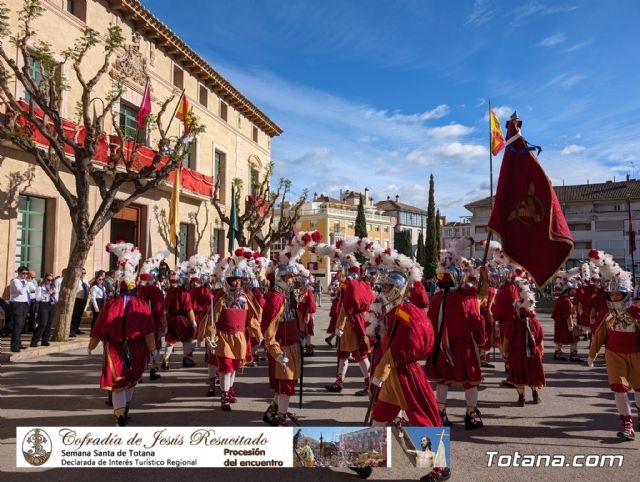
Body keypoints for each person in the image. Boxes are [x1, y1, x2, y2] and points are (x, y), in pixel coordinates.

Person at [88, 242, 155, 426]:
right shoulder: (128, 303)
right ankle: (121, 414)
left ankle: (121, 413)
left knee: (124, 380)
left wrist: (92, 344)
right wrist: (153, 350)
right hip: (123, 347)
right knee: (125, 380)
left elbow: (147, 329)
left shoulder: (120, 303)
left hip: (125, 347)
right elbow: (147, 330)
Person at [425, 238, 487, 430]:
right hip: (465, 346)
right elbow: (475, 320)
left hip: (443, 346)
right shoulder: (467, 296)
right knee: (471, 382)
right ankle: (470, 415)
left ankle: (441, 414)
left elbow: (430, 323)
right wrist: (482, 340)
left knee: (444, 381)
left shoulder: (436, 298)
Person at [369, 264, 441, 427]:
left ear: (396, 289)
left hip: (403, 373)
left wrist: (379, 375)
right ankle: (375, 444)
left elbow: (397, 349)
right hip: (393, 373)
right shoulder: (396, 311)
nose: (383, 290)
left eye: (387, 286)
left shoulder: (402, 312)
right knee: (381, 412)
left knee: (418, 416)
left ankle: (431, 447)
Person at [587, 250, 640, 441]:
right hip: (614, 355)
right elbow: (599, 334)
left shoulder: (636, 311)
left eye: (619, 294)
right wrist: (592, 353)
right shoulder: (607, 314)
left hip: (637, 355)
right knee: (619, 390)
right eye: (612, 294)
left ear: (626, 294)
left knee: (639, 390)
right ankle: (627, 425)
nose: (615, 297)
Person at [500, 274, 545, 406]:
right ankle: (535, 395)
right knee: (532, 374)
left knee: (519, 375)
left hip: (517, 353)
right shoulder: (535, 322)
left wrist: (505, 352)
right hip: (532, 353)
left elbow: (507, 339)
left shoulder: (514, 323)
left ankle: (521, 398)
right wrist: (540, 351)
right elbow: (540, 339)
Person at [163, 268, 196, 369]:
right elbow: (188, 308)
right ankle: (187, 359)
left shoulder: (169, 291)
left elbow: (165, 306)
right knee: (187, 338)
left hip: (171, 318)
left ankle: (166, 360)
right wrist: (192, 321)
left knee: (170, 340)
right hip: (181, 318)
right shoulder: (184, 293)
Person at [551, 270, 582, 362]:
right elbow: (568, 315)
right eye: (574, 289)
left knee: (559, 339)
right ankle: (573, 355)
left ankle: (557, 353)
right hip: (566, 324)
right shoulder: (567, 301)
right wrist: (571, 326)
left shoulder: (561, 299)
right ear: (567, 290)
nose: (575, 291)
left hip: (559, 323)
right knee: (575, 338)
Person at [30, 273, 58, 347]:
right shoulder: (40, 287)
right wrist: (48, 294)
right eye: (48, 280)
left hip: (52, 305)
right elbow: (37, 298)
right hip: (43, 305)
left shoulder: (52, 287)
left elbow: (56, 297)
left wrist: (54, 294)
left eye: (52, 280)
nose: (50, 282)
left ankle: (45, 340)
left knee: (49, 324)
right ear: (45, 279)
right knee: (43, 324)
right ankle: (34, 341)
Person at [9, 266, 31, 352]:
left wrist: (29, 283)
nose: (25, 275)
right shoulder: (15, 281)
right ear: (19, 273)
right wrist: (26, 284)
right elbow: (20, 291)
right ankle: (13, 346)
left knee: (22, 324)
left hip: (24, 303)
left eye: (26, 273)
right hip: (16, 303)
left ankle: (18, 343)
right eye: (23, 273)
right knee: (17, 325)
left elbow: (31, 290)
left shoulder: (25, 281)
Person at [70, 268, 89, 337]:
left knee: (79, 315)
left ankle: (76, 328)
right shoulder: (75, 280)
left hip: (83, 299)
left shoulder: (85, 281)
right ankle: (71, 330)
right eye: (82, 273)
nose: (83, 274)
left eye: (84, 273)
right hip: (77, 299)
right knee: (74, 315)